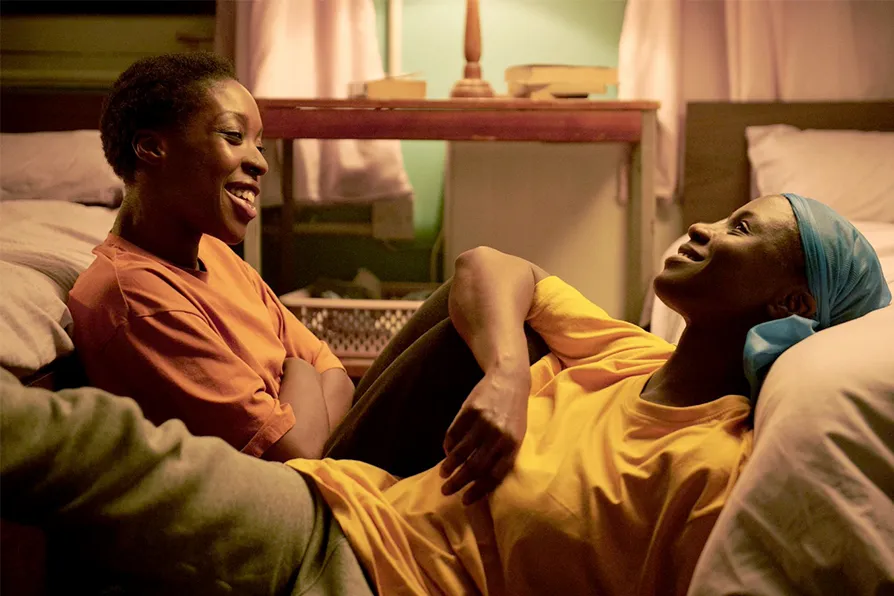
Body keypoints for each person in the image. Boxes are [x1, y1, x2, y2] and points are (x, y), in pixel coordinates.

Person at [10, 191, 889, 594]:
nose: (701, 224)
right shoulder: (628, 355)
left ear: (791, 303)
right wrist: (506, 376)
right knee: (94, 446)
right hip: (340, 513)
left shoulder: (719, 469)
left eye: (741, 229)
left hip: (373, 583)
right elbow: (487, 264)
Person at [67, 53, 531, 502]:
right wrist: (299, 368)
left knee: (488, 287)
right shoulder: (136, 298)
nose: (260, 163)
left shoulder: (213, 253)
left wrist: (298, 383)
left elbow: (335, 374)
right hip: (326, 494)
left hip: (334, 454)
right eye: (233, 136)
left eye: (259, 144)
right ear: (152, 148)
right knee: (482, 326)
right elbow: (298, 454)